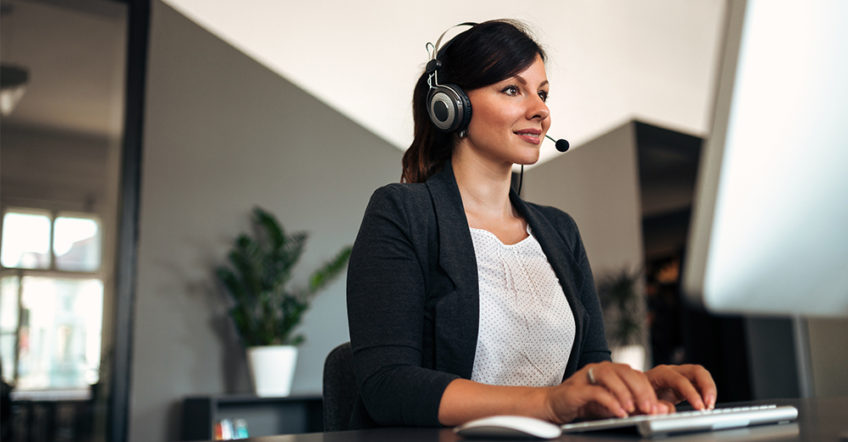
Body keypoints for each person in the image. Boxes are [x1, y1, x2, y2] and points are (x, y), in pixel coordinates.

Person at [346, 19, 716, 429]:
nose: (540, 110)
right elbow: (389, 384)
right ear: (451, 106)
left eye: (542, 93)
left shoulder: (559, 231)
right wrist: (550, 403)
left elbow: (591, 370)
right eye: (512, 89)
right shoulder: (402, 212)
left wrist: (639, 390)